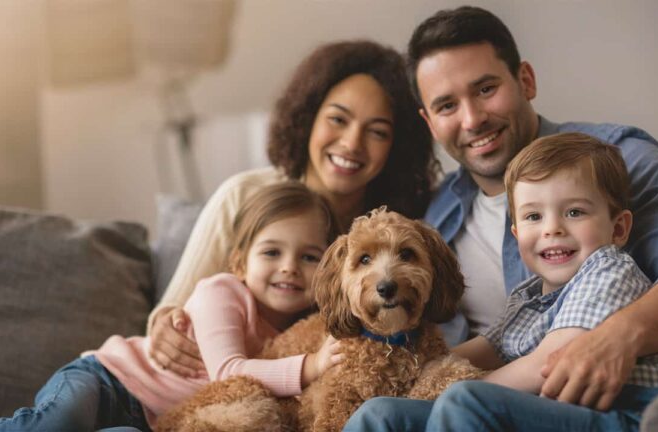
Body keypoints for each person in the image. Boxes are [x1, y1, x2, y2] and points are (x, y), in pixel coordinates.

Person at [405, 5, 658, 410]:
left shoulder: (618, 158)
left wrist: (618, 335)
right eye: (447, 106)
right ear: (430, 123)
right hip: (486, 403)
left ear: (525, 80)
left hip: (595, 401)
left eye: (485, 89)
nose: (472, 118)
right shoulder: (438, 213)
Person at [346, 133, 658, 431]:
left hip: (641, 413)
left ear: (618, 228)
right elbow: (481, 350)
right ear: (515, 231)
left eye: (574, 212)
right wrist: (404, 367)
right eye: (534, 216)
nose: (552, 228)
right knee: (381, 414)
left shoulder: (607, 271)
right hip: (564, 412)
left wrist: (447, 387)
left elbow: (547, 364)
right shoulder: (528, 297)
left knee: (465, 401)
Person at [147, 40, 439, 378]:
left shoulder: (395, 227)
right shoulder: (243, 195)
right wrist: (164, 326)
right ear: (307, 117)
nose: (351, 143)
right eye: (337, 119)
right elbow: (173, 306)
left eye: (377, 132)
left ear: (397, 146)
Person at [0, 182, 344, 432]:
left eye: (310, 257)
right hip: (109, 379)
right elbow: (230, 372)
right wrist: (311, 367)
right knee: (62, 419)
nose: (289, 267)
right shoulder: (223, 292)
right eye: (271, 252)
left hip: (147, 420)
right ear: (239, 263)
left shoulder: (301, 330)